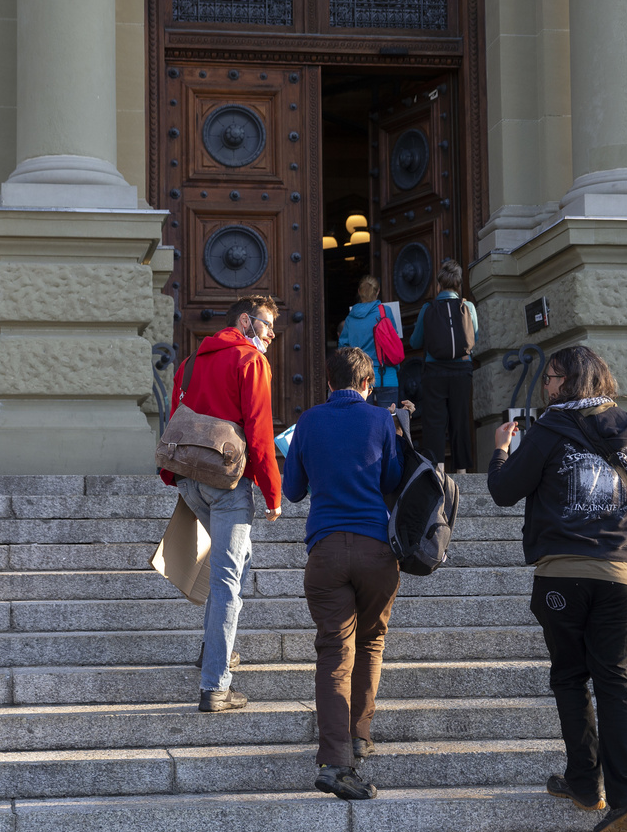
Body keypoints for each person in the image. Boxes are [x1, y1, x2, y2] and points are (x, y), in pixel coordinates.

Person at [486, 346, 627, 832]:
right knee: (615, 679)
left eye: (551, 379)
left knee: (571, 677)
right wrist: (612, 521)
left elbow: (504, 490)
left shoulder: (548, 430)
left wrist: (501, 448)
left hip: (562, 575)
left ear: (568, 382)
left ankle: (587, 784)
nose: (546, 387)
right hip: (620, 577)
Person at [282, 347, 405, 801]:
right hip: (376, 549)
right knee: (371, 640)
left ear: (329, 383)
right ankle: (359, 734)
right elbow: (392, 480)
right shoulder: (379, 420)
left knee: (335, 652)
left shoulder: (310, 421)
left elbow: (292, 491)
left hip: (327, 550)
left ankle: (336, 761)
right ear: (368, 384)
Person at [160, 295, 283, 713]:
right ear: (246, 321)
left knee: (232, 566)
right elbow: (260, 432)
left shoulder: (190, 362)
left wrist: (173, 474)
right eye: (266, 325)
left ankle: (215, 648)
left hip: (192, 482)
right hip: (228, 484)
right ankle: (216, 685)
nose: (270, 335)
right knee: (230, 580)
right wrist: (273, 493)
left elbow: (178, 420)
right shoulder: (251, 362)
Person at [408, 259, 479, 471]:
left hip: (434, 372)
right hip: (462, 371)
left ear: (439, 285)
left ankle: (437, 470)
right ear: (458, 284)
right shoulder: (468, 307)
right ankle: (462, 471)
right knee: (461, 420)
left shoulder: (428, 308)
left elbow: (415, 342)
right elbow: (473, 336)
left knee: (434, 423)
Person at [337, 275, 400, 409]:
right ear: (377, 292)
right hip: (386, 376)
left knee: (366, 423)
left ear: (359, 292)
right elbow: (393, 344)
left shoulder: (350, 318)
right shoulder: (385, 312)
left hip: (361, 379)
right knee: (390, 421)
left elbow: (343, 349)